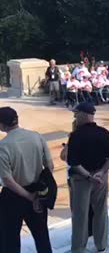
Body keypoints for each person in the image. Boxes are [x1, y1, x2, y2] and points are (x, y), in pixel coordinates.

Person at [0, 107, 54, 253]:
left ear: (2, 125)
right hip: (37, 192)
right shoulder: (37, 136)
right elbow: (49, 166)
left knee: (9, 240)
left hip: (13, 197)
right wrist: (38, 194)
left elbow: (7, 180)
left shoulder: (3, 146)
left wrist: (28, 196)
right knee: (42, 237)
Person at [67, 102, 109, 253]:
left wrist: (89, 177)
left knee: (80, 215)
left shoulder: (76, 136)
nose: (75, 116)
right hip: (100, 178)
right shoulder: (103, 132)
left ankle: (78, 248)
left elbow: (73, 163)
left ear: (85, 114)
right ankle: (101, 245)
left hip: (82, 179)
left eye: (77, 113)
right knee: (101, 211)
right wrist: (101, 172)